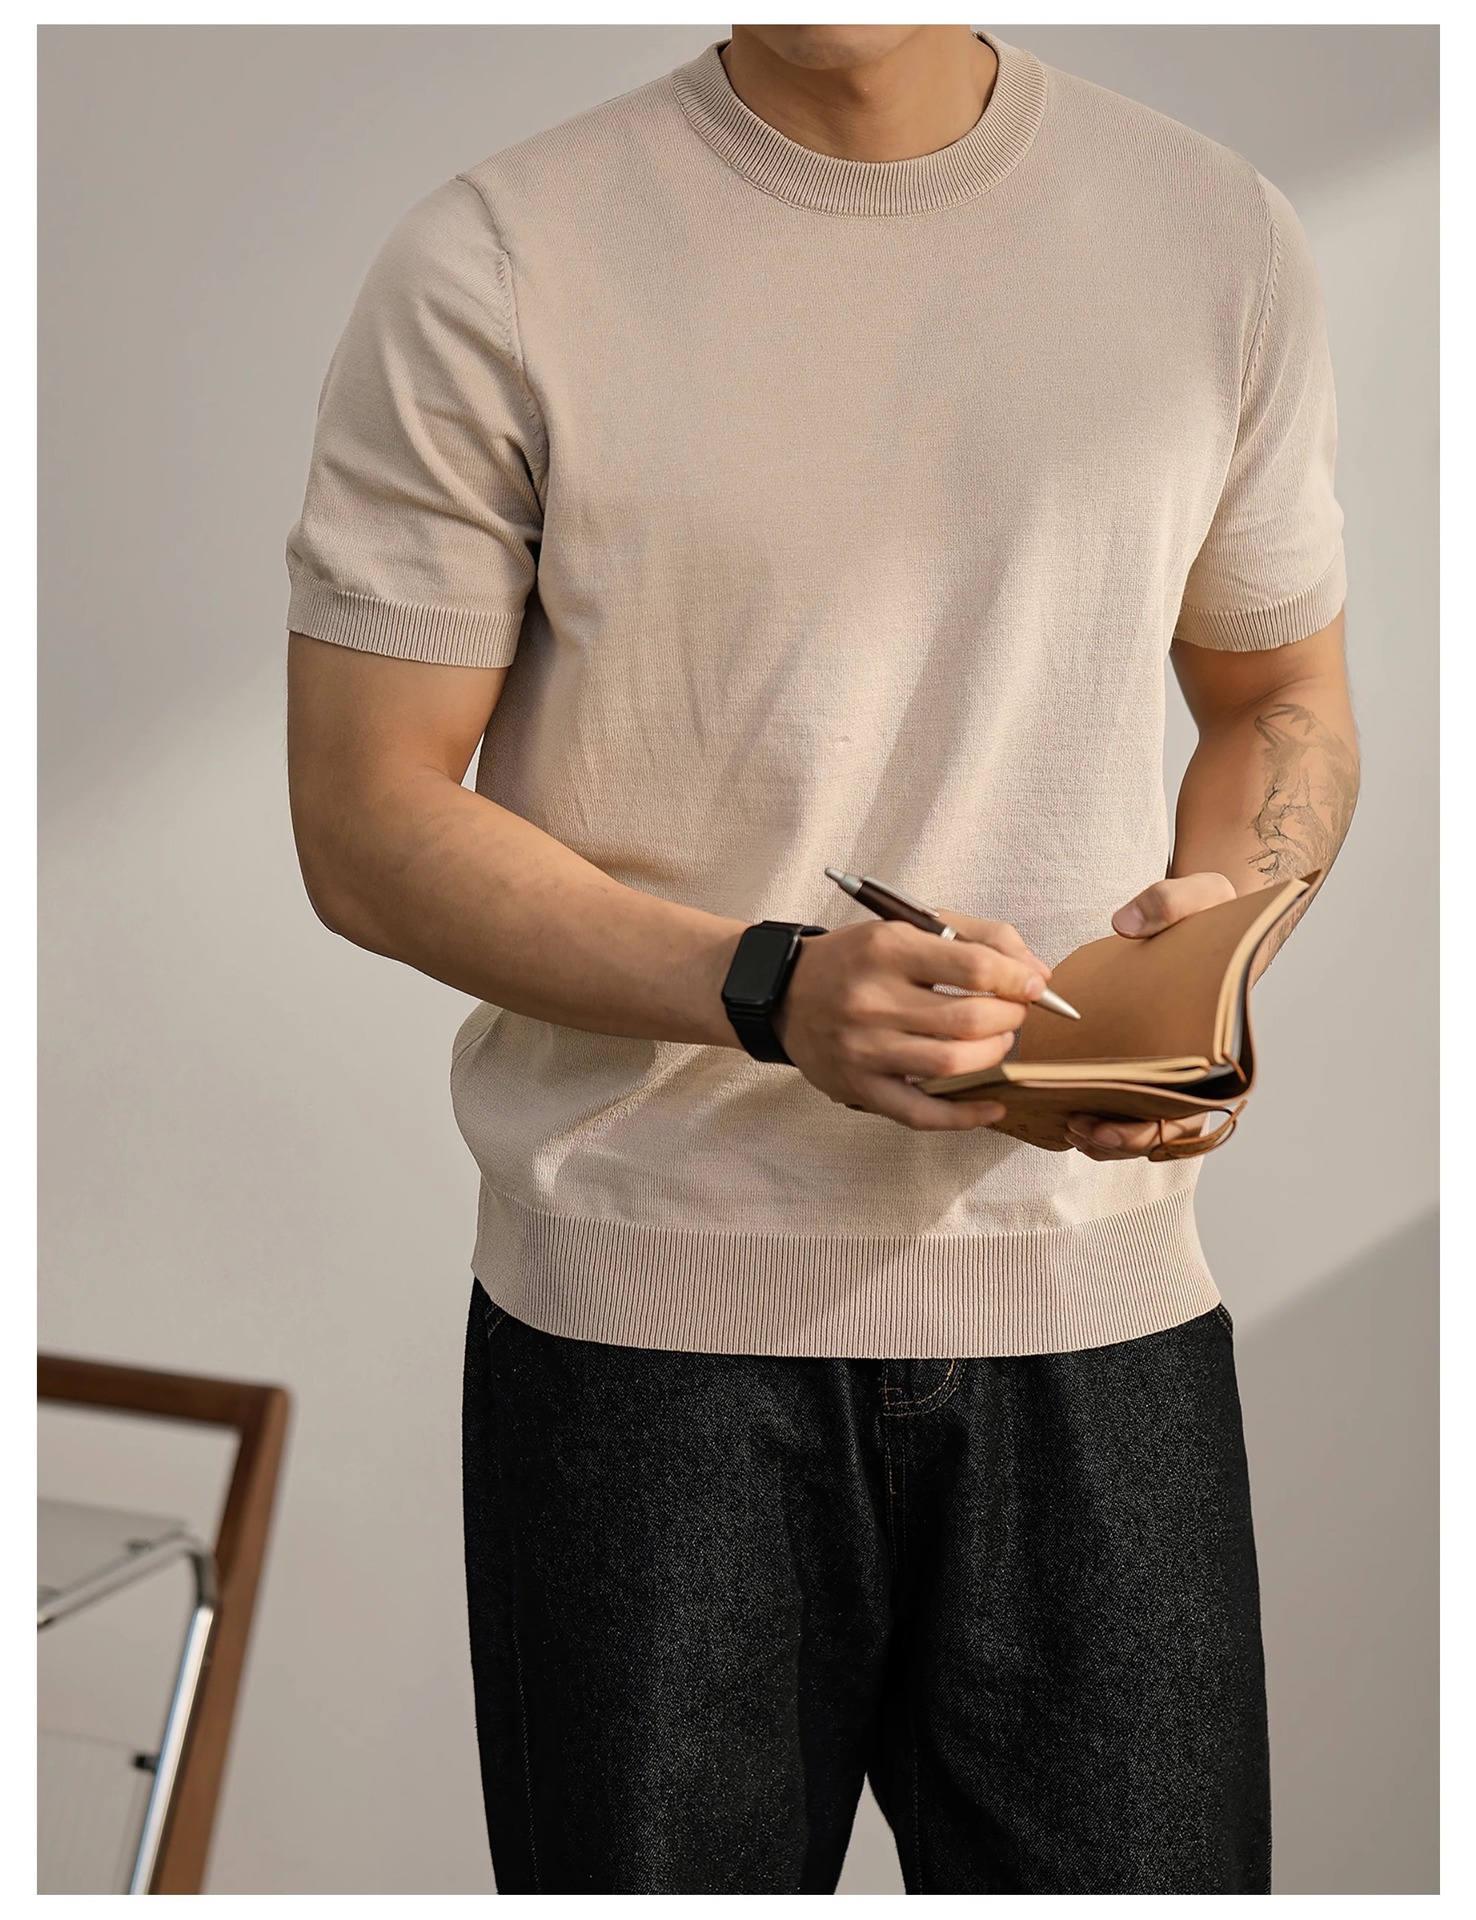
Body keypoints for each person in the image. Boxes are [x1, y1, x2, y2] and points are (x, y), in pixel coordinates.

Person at [284, 23, 1359, 1895]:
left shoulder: (1217, 234)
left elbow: (1282, 697)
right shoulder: (501, 258)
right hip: (643, 1345)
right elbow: (365, 819)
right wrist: (768, 988)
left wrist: (1209, 953)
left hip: (1096, 1313)